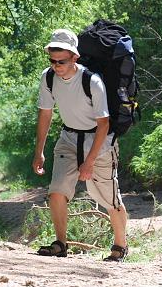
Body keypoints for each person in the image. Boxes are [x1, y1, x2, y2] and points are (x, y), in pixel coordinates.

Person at [32, 29, 129, 262]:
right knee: (57, 190)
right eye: (52, 61)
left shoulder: (92, 81)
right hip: (68, 138)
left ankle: (120, 246)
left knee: (109, 198)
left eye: (61, 61)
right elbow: (45, 114)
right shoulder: (48, 78)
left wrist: (89, 162)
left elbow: (104, 124)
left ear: (74, 57)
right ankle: (60, 244)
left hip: (100, 142)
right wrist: (39, 152)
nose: (56, 66)